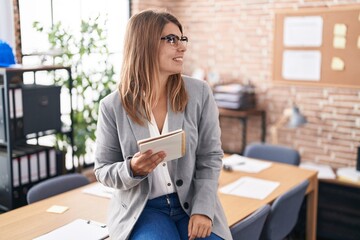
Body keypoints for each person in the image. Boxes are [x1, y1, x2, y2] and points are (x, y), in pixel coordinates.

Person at [94, 9, 232, 240]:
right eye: (171, 40)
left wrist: (203, 210)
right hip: (143, 210)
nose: (182, 47)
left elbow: (210, 156)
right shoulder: (112, 106)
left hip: (193, 200)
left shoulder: (199, 93)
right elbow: (103, 170)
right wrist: (132, 169)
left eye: (182, 39)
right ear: (144, 44)